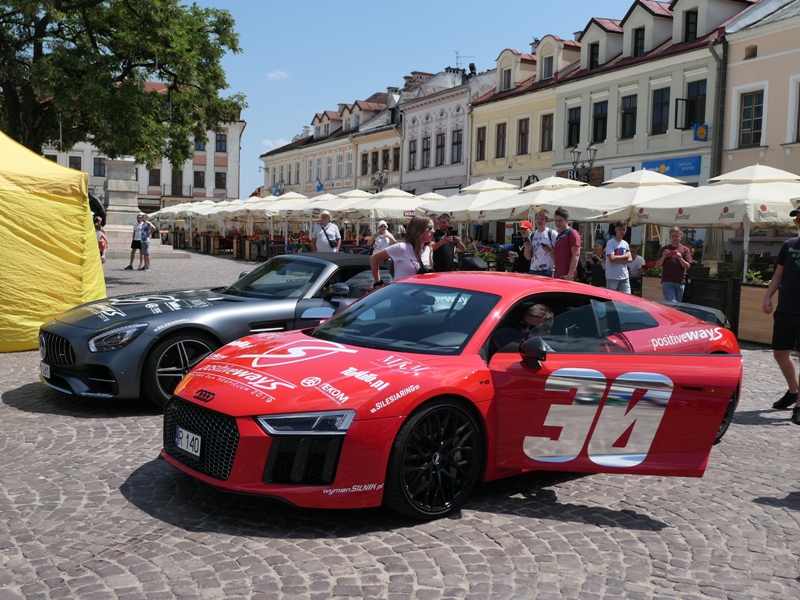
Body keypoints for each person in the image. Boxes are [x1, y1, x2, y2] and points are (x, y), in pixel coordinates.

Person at [763, 208, 800, 424]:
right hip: (786, 307)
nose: (799, 223)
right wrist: (768, 296)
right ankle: (793, 391)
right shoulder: (789, 245)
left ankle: (799, 405)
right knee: (779, 353)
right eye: (798, 220)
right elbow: (778, 274)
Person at [370, 215, 434, 283]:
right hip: (400, 289)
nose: (433, 231)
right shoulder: (402, 247)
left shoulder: (427, 249)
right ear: (418, 229)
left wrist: (431, 252)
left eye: (433, 228)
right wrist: (378, 282)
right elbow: (373, 259)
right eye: (430, 228)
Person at [655, 226, 692, 301]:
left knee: (676, 305)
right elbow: (657, 265)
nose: (674, 238)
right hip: (667, 281)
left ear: (681, 237)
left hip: (680, 281)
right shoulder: (664, 249)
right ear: (670, 237)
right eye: (673, 236)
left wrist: (680, 258)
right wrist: (663, 256)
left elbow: (687, 266)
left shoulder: (685, 249)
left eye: (677, 236)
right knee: (672, 303)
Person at [525, 209, 557, 277]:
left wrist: (549, 251)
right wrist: (527, 248)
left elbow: (558, 254)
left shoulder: (552, 233)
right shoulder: (532, 235)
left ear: (547, 221)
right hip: (533, 270)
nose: (539, 221)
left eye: (542, 219)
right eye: (537, 218)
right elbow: (528, 257)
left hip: (548, 271)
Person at [552, 208, 581, 280]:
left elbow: (576, 255)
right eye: (556, 220)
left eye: (560, 221)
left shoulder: (572, 233)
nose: (557, 223)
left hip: (567, 276)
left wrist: (570, 275)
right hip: (558, 275)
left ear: (567, 220)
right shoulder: (559, 235)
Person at [604, 220, 632, 293]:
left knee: (628, 297)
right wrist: (625, 256)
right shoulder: (610, 243)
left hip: (624, 276)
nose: (622, 232)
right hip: (612, 276)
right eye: (620, 229)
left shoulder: (625, 244)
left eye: (624, 230)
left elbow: (630, 259)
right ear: (616, 229)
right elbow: (612, 258)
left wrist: (617, 259)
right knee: (610, 297)